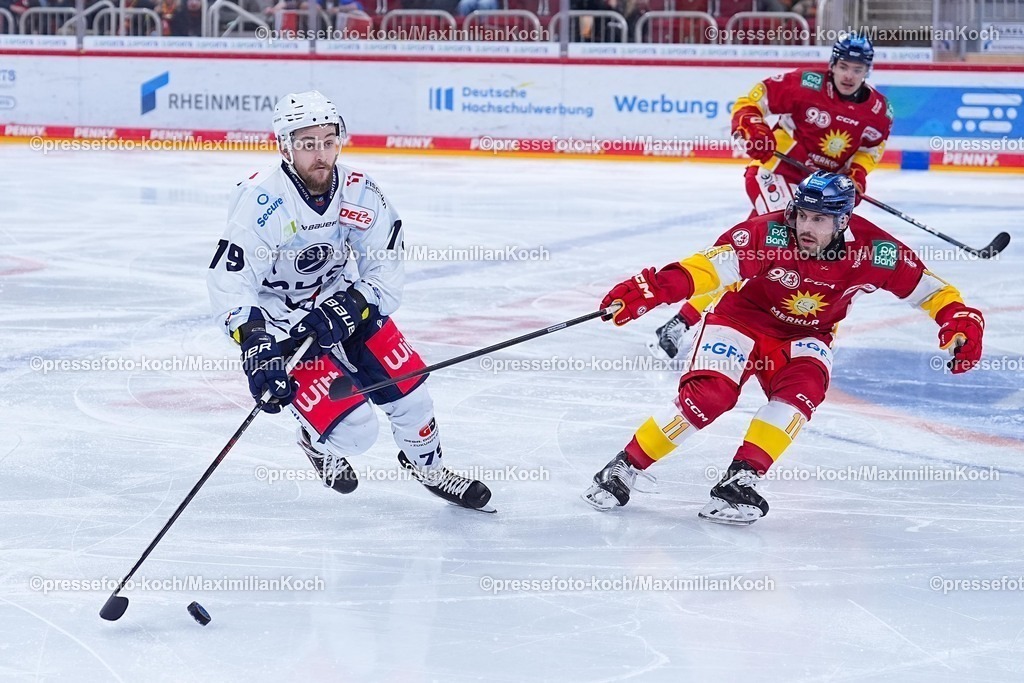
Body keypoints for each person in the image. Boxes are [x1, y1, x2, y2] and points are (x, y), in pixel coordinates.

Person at [583, 171, 984, 525]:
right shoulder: (766, 233)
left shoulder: (875, 251)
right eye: (802, 215)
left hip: (807, 335)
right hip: (740, 320)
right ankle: (623, 467)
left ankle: (741, 479)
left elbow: (933, 291)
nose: (806, 227)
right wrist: (652, 290)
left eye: (820, 219)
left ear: (843, 221)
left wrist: (959, 321)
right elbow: (707, 268)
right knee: (711, 396)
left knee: (804, 390)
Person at [206, 90, 493, 512]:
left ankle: (431, 471)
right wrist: (256, 343)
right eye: (307, 144)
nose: (320, 154)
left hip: (346, 305)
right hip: (287, 324)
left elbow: (386, 269)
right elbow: (231, 280)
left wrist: (354, 304)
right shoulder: (262, 201)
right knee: (357, 432)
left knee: (413, 398)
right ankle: (314, 440)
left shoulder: (360, 192)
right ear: (285, 147)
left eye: (327, 140)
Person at [650, 33, 892, 362]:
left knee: (747, 253)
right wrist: (753, 127)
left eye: (858, 69)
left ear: (868, 71)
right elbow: (753, 101)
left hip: (819, 198)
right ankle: (704, 321)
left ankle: (684, 320)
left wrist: (858, 176)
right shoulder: (804, 83)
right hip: (776, 174)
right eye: (844, 66)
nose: (849, 75)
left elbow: (869, 148)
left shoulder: (878, 110)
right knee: (768, 250)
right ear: (833, 65)